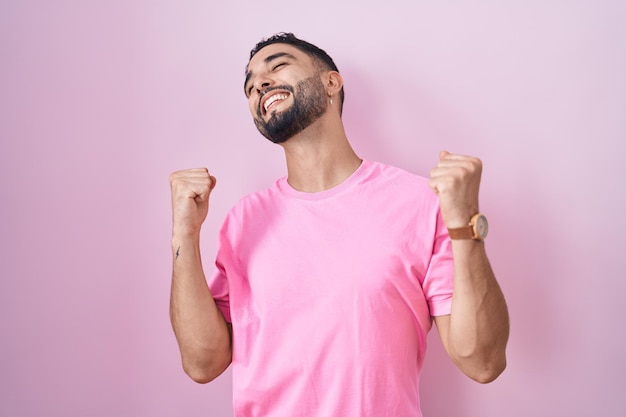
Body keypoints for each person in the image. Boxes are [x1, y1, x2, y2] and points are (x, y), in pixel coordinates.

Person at [168, 32, 509, 417]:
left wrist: (464, 222)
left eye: (277, 65)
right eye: (249, 85)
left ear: (331, 82)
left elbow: (482, 362)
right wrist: (185, 233)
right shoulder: (242, 220)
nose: (258, 83)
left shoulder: (419, 203)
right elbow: (202, 363)